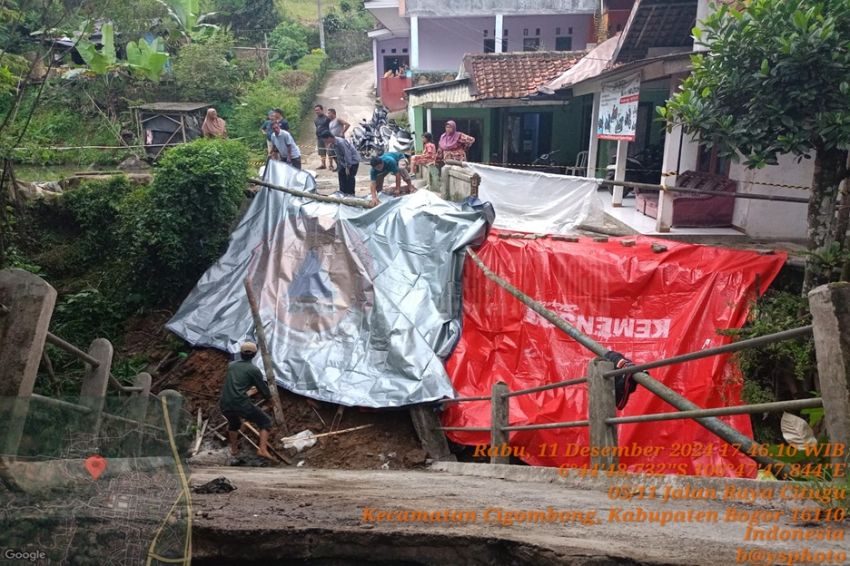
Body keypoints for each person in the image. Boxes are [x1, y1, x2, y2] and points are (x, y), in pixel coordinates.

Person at [219, 342, 273, 460]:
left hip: (224, 403)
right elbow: (264, 391)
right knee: (265, 422)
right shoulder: (253, 370)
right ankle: (262, 449)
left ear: (241, 353)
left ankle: (234, 449)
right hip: (240, 403)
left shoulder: (231, 365)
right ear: (254, 354)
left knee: (234, 423)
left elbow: (237, 381)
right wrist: (269, 398)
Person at [320, 130, 360, 195]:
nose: (325, 142)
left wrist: (348, 167)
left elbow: (347, 154)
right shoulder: (333, 143)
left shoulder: (340, 142)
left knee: (350, 178)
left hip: (352, 162)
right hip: (343, 163)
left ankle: (351, 194)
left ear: (329, 138)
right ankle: (342, 193)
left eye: (325, 141)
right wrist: (328, 147)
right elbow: (337, 155)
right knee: (342, 177)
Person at [314, 104, 332, 169]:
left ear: (322, 110)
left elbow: (331, 127)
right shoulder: (316, 120)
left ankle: (331, 165)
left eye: (318, 110)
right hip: (319, 138)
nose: (317, 111)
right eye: (315, 110)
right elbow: (317, 127)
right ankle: (323, 165)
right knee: (321, 152)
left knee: (329, 152)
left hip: (327, 138)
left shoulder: (327, 118)